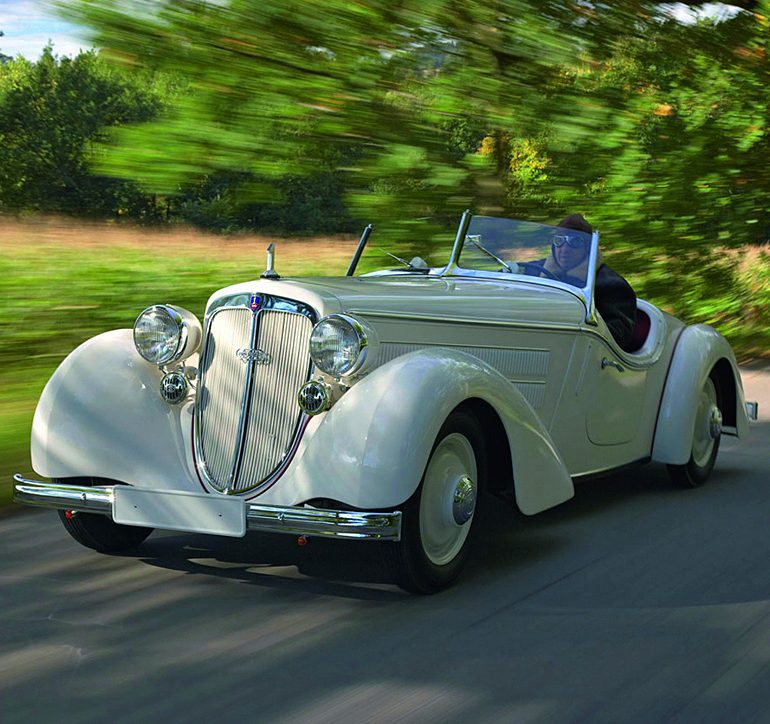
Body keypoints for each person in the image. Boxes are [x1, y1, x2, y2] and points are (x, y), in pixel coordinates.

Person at [531, 214, 637, 350]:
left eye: (574, 242)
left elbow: (621, 336)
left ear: (587, 249)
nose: (564, 249)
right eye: (559, 241)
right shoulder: (533, 271)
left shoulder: (611, 285)